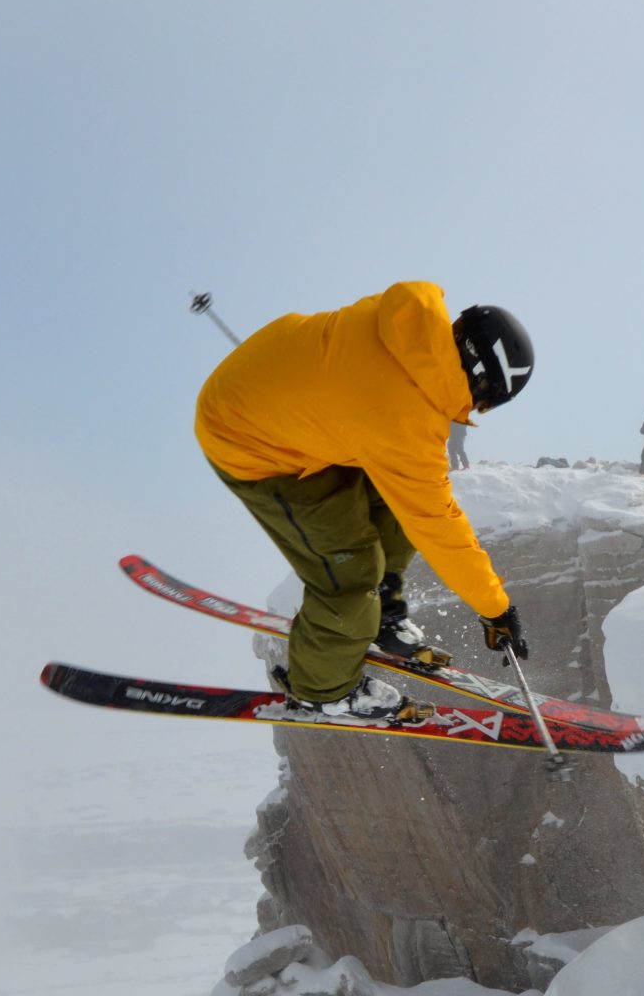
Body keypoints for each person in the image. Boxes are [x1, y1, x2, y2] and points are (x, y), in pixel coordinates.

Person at [194, 285, 533, 718]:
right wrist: (496, 609)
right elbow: (437, 523)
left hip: (279, 406)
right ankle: (321, 690)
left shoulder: (410, 325)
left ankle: (382, 613)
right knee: (350, 575)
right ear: (481, 377)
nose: (473, 411)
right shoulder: (407, 419)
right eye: (484, 403)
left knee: (394, 498)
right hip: (246, 438)